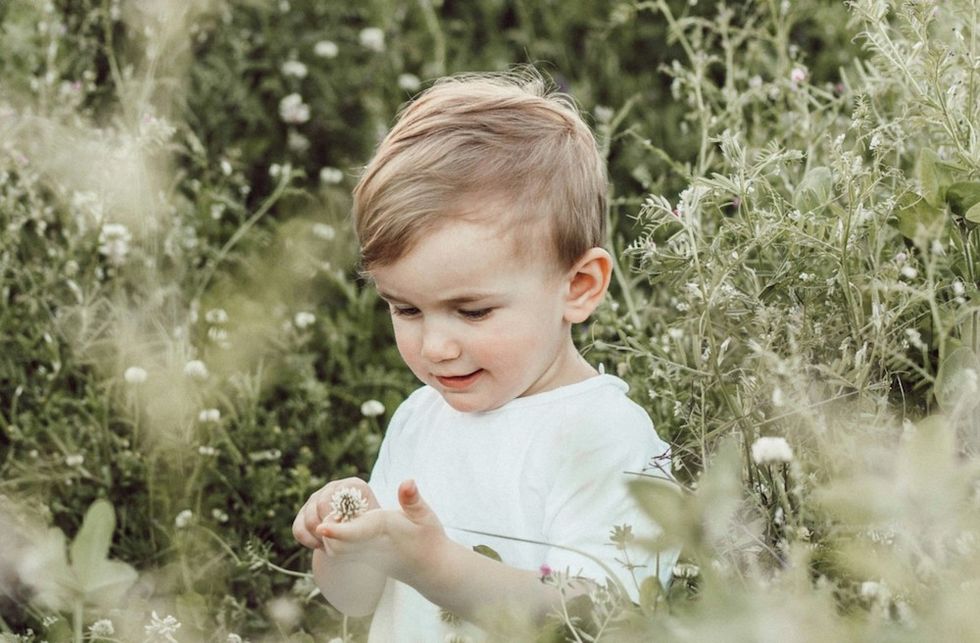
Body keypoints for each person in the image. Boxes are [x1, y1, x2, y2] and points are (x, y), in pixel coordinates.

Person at [292, 68, 675, 641]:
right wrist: (346, 546)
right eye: (406, 310)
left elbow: (602, 616)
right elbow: (358, 599)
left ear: (579, 287)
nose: (435, 348)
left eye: (473, 312)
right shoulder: (421, 418)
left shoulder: (601, 433)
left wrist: (436, 567)